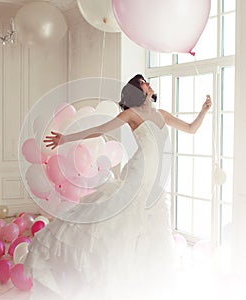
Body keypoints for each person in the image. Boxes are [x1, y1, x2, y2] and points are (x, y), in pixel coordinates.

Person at [24, 74, 212, 300]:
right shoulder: (131, 114)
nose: (148, 84)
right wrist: (66, 139)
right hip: (138, 173)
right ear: (136, 90)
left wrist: (204, 110)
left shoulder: (161, 114)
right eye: (143, 82)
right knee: (121, 226)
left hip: (154, 182)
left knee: (151, 231)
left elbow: (191, 129)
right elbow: (100, 129)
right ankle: (107, 275)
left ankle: (143, 285)